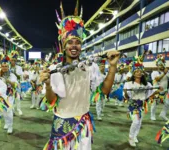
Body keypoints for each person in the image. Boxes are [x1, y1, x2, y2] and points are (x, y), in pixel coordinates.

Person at [40, 2, 120, 149]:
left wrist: (113, 67)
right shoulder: (55, 69)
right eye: (70, 42)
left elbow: (104, 91)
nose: (74, 46)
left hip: (83, 125)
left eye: (78, 42)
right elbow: (51, 101)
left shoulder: (91, 67)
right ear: (64, 46)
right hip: (61, 124)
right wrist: (47, 84)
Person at [123, 57, 162, 147]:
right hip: (133, 105)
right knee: (136, 121)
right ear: (133, 72)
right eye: (136, 71)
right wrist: (125, 92)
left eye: (140, 71)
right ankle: (131, 137)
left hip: (142, 105)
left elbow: (150, 94)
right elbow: (126, 97)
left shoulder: (147, 84)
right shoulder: (128, 84)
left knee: (139, 122)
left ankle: (135, 136)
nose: (139, 73)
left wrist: (158, 90)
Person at [0, 55, 18, 134]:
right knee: (3, 110)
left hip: (9, 94)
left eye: (6, 66)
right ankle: (7, 123)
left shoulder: (12, 75)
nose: (4, 68)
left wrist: (9, 81)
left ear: (8, 66)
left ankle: (10, 126)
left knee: (9, 110)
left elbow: (15, 85)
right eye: (3, 66)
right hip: (1, 95)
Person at [150, 55, 169, 121]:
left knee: (167, 103)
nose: (161, 66)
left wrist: (166, 72)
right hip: (157, 91)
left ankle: (163, 114)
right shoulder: (154, 72)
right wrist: (164, 73)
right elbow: (157, 79)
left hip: (165, 90)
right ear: (157, 65)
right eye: (159, 64)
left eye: (162, 64)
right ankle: (152, 115)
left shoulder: (167, 72)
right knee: (155, 104)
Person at [9, 50, 23, 115]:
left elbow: (20, 77)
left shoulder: (19, 68)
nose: (13, 62)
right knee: (10, 98)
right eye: (12, 60)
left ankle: (18, 109)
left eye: (14, 60)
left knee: (17, 98)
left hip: (16, 84)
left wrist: (15, 73)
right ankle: (12, 110)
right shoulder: (7, 67)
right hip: (9, 85)